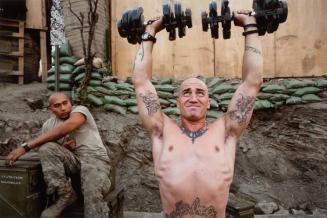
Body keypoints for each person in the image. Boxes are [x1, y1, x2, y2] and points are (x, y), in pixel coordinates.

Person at [132, 11, 262, 218]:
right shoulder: (161, 130)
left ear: (209, 102)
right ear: (178, 102)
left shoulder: (227, 131)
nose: (193, 98)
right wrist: (149, 31)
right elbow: (140, 81)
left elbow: (253, 82)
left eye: (200, 93)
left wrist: (250, 25)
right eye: (186, 93)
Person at [5, 92, 112, 218]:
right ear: (51, 109)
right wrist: (64, 149)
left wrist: (25, 147)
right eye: (57, 105)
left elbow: (65, 128)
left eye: (65, 103)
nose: (63, 108)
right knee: (47, 148)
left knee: (91, 188)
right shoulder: (48, 125)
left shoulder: (81, 111)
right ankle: (65, 194)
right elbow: (51, 151)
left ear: (70, 102)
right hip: (74, 163)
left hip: (95, 161)